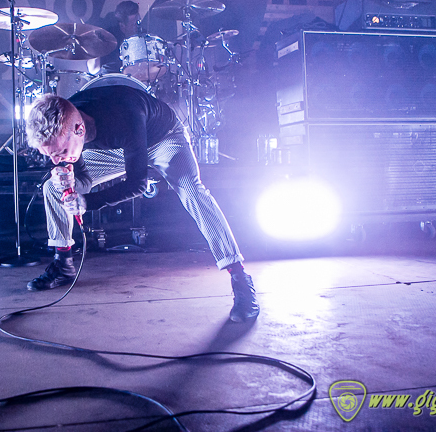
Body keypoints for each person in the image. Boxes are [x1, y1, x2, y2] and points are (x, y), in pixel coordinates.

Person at [23, 87, 259, 323]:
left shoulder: (123, 114)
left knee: (191, 189)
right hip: (118, 148)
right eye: (50, 155)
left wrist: (86, 202)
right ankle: (63, 264)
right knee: (52, 187)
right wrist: (70, 183)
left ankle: (239, 277)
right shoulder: (68, 120)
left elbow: (137, 184)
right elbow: (84, 180)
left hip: (163, 138)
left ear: (80, 129)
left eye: (62, 152)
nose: (56, 160)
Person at [99, 0, 141, 73]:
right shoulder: (109, 39)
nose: (137, 26)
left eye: (138, 22)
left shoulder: (142, 35)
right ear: (122, 25)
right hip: (113, 76)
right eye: (133, 24)